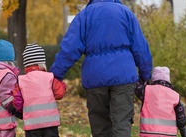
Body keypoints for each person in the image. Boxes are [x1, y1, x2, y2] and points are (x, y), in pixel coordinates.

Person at [49, 0, 153, 136]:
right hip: (123, 75)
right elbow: (140, 47)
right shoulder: (126, 13)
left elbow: (69, 49)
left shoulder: (84, 15)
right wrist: (146, 75)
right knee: (122, 123)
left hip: (95, 77)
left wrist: (56, 75)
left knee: (100, 125)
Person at [13, 43, 66, 137]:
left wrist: (24, 111)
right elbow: (60, 93)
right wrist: (62, 84)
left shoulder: (21, 80)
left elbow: (17, 101)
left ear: (26, 64)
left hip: (32, 124)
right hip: (50, 123)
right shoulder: (50, 77)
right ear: (42, 63)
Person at [135, 66, 186, 137]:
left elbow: (136, 86)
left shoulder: (146, 91)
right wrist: (182, 127)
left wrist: (143, 79)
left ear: (153, 79)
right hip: (168, 133)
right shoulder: (174, 95)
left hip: (148, 132)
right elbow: (181, 115)